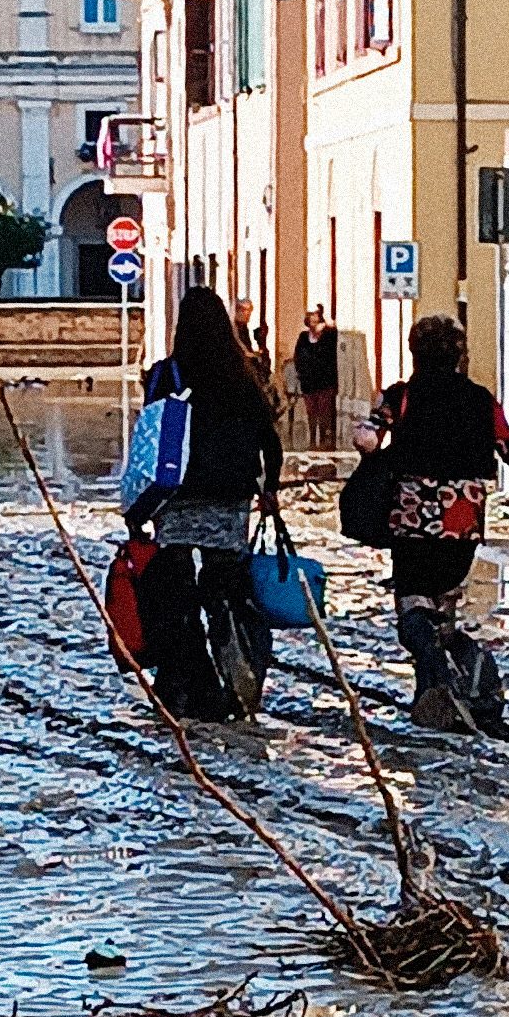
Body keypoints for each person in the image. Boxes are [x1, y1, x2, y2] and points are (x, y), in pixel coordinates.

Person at [354, 314, 509, 733]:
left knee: (413, 604)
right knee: (444, 607)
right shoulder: (480, 399)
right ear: (458, 356)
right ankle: (449, 686)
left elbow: (367, 438)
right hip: (462, 518)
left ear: (415, 353)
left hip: (412, 517)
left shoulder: (401, 396)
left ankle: (434, 675)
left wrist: (371, 453)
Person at [134, 287, 285, 722]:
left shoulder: (166, 375)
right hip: (230, 499)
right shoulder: (244, 376)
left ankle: (183, 683)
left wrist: (137, 509)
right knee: (224, 592)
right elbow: (270, 443)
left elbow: (149, 440)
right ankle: (233, 677)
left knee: (176, 596)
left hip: (176, 498)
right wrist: (269, 488)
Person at [294, 306, 340, 450]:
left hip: (325, 381)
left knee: (325, 412)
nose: (313, 321)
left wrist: (326, 326)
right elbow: (298, 356)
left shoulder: (328, 335)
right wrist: (301, 372)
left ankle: (325, 439)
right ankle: (313, 439)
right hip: (308, 381)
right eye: (311, 318)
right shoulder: (303, 337)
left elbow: (334, 335)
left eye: (316, 317)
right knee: (311, 413)